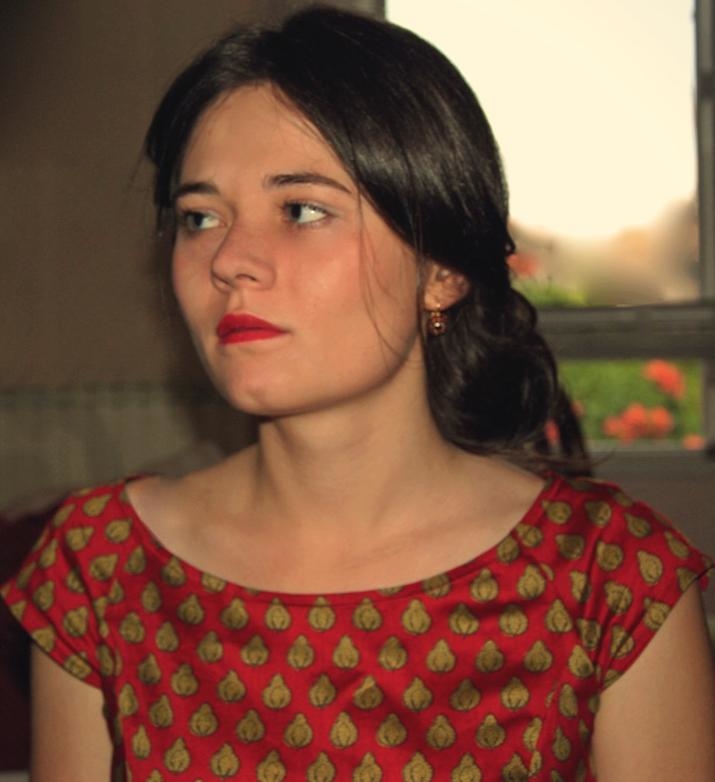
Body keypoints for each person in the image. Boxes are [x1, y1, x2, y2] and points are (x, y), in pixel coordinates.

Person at [2, 7, 714, 781]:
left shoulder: (609, 578)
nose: (229, 259)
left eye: (301, 210)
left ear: (442, 269)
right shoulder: (101, 563)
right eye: (199, 217)